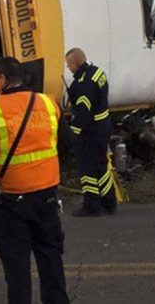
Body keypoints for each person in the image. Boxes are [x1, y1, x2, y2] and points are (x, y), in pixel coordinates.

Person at [0, 57, 70, 304]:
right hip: (46, 196)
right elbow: (68, 144)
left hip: (10, 200)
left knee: (16, 270)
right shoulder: (48, 104)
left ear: (3, 79)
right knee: (51, 260)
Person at [64, 47, 116, 217]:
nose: (68, 68)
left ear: (75, 63)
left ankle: (91, 204)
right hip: (104, 125)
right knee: (101, 165)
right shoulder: (96, 72)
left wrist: (72, 135)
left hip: (90, 130)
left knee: (87, 168)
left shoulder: (82, 84)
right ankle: (109, 202)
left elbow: (82, 113)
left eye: (69, 64)